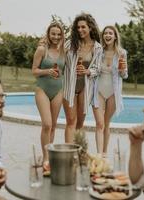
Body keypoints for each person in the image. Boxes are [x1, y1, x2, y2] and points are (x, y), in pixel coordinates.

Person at [63, 13, 102, 143]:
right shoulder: (70, 44)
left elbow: (98, 69)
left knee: (79, 124)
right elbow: (57, 53)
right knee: (70, 122)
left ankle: (77, 153)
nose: (80, 30)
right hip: (69, 86)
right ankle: (68, 154)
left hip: (85, 88)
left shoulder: (97, 47)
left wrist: (88, 71)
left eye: (83, 27)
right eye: (78, 27)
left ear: (90, 27)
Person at [32, 22, 65, 175]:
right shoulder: (41, 50)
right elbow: (34, 71)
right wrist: (47, 71)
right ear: (48, 33)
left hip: (58, 89)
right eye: (53, 34)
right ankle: (45, 158)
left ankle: (50, 156)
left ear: (62, 35)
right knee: (46, 124)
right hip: (42, 89)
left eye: (59, 34)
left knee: (53, 126)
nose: (56, 37)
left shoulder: (64, 51)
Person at [92, 25, 128, 156]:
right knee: (99, 124)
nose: (107, 35)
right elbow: (94, 69)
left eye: (110, 33)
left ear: (115, 36)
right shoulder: (98, 52)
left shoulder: (122, 53)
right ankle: (99, 155)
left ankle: (105, 153)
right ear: (103, 36)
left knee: (106, 124)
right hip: (99, 91)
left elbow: (124, 75)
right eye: (105, 33)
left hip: (113, 92)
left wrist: (122, 70)